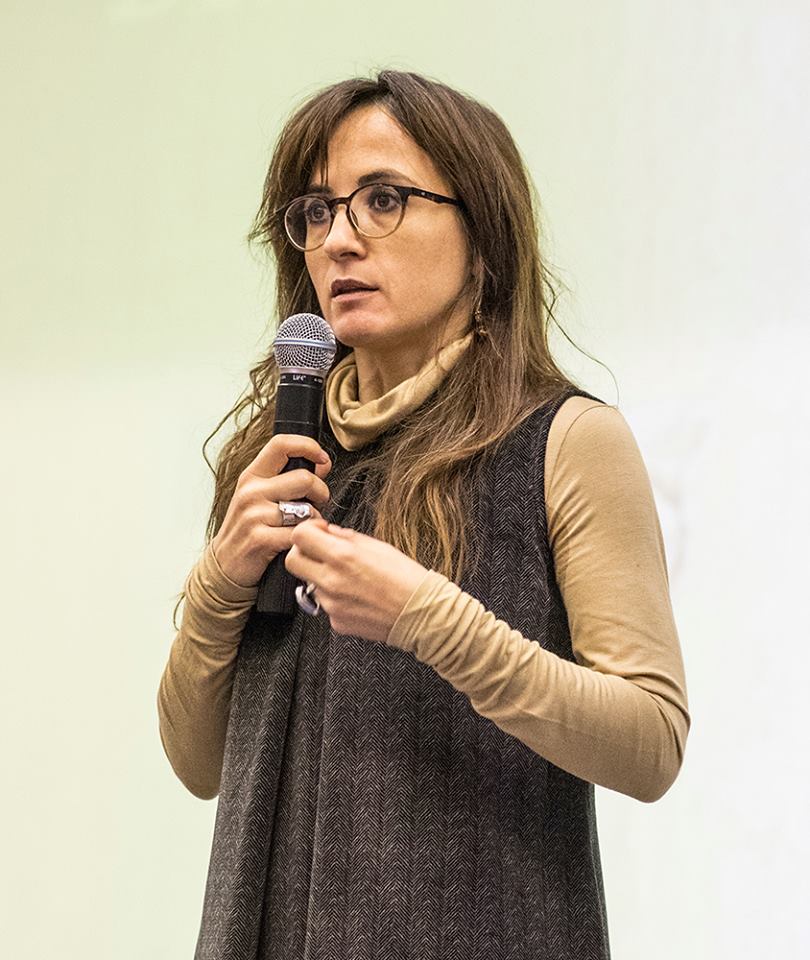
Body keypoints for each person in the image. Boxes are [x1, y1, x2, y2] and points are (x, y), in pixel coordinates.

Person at [157, 69, 689, 960]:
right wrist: (218, 584)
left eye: (383, 199)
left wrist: (430, 621)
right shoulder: (280, 453)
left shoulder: (568, 441)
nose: (339, 240)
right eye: (316, 212)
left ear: (481, 237)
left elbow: (652, 744)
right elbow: (199, 764)